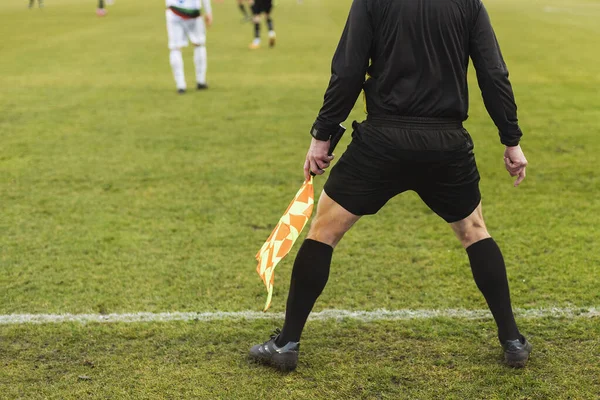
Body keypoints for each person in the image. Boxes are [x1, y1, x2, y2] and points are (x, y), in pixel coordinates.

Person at [249, 0, 532, 371]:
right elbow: (493, 73)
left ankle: (286, 344)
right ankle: (512, 341)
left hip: (382, 141)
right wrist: (510, 139)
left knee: (322, 233)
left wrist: (322, 134)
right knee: (474, 231)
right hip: (445, 143)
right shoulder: (468, 3)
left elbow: (348, 71)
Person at [165, 0, 213, 93]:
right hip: (193, 12)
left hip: (174, 11)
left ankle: (180, 85)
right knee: (199, 44)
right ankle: (200, 81)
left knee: (175, 48)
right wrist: (208, 12)